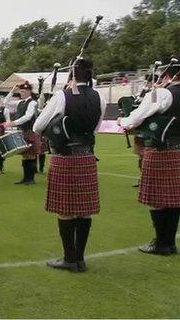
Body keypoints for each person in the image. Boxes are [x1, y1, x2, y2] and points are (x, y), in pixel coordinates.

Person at [34, 58, 107, 272]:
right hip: (86, 155)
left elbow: (38, 126)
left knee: (65, 209)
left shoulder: (61, 96)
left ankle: (69, 258)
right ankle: (80, 258)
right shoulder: (99, 97)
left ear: (72, 75)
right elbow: (95, 129)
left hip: (64, 157)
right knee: (84, 210)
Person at [118, 58, 180, 256]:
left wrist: (123, 120)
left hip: (163, 151)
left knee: (158, 198)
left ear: (169, 77)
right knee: (174, 199)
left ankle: (162, 243)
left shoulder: (162, 93)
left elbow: (136, 118)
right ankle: (169, 242)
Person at [4, 81, 39, 185]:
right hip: (22, 131)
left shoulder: (32, 103)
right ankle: (25, 178)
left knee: (30, 155)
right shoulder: (20, 102)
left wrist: (14, 122)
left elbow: (28, 116)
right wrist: (12, 91)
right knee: (25, 155)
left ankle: (31, 179)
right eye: (20, 91)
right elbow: (5, 102)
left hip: (30, 131)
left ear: (29, 91)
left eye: (23, 91)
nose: (21, 93)